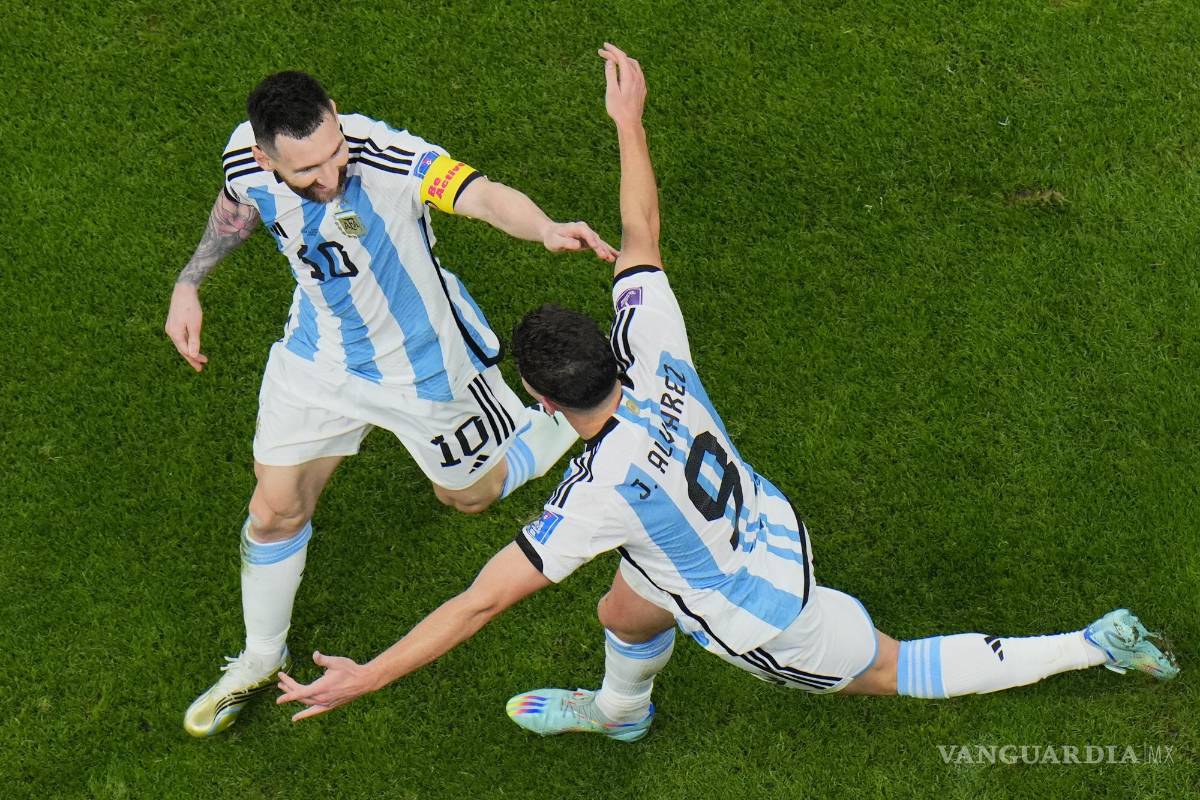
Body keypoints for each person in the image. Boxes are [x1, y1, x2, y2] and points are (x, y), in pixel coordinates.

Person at [275, 44, 1179, 734]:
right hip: (736, 524)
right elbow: (642, 233)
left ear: (544, 406)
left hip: (770, 610)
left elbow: (479, 601)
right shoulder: (655, 350)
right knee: (622, 603)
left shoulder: (593, 499)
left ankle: (1090, 645)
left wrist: (369, 675)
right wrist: (628, 121)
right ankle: (623, 714)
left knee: (894, 668)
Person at [168, 70, 617, 737]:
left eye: (333, 152)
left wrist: (543, 226)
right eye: (307, 171)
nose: (329, 176)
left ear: (337, 117)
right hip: (320, 355)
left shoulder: (385, 158)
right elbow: (238, 205)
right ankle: (262, 658)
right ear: (265, 155)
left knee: (469, 498)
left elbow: (482, 195)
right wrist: (189, 283)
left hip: (429, 366)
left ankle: (545, 424)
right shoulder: (245, 156)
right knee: (273, 510)